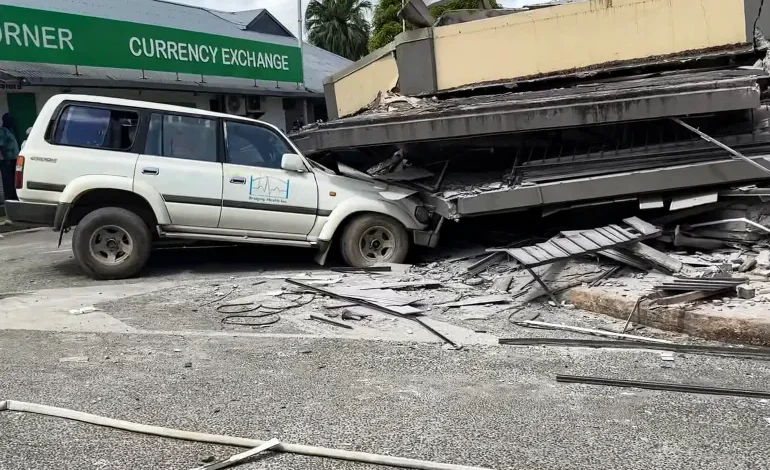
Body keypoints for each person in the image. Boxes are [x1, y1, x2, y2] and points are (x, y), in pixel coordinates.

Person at [0, 113, 20, 201]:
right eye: (10, 120)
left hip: (14, 158)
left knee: (14, 178)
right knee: (8, 179)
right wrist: (5, 157)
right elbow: (1, 145)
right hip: (7, 160)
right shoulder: (2, 131)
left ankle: (14, 196)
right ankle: (9, 198)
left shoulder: (10, 130)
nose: (12, 122)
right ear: (5, 120)